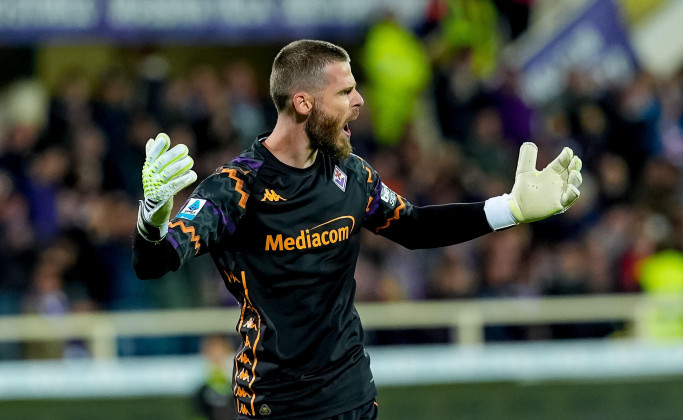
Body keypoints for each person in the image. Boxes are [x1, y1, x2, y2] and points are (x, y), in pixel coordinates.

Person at [132, 40, 583, 420]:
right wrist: (153, 213)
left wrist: (510, 208)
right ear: (304, 103)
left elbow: (414, 226)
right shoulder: (236, 188)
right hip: (276, 403)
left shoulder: (353, 176)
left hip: (353, 396)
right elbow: (154, 260)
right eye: (346, 91)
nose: (359, 101)